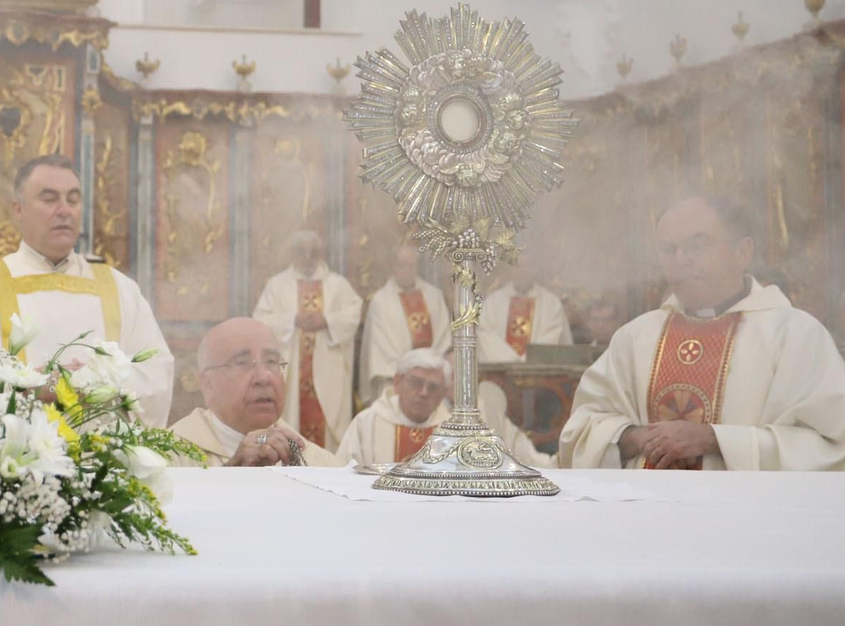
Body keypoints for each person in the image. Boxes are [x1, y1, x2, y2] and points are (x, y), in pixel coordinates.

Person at [561, 196, 845, 470]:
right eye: (669, 249)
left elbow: (832, 447)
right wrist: (636, 438)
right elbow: (579, 433)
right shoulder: (635, 338)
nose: (681, 259)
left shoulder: (796, 336)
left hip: (746, 514)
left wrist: (714, 440)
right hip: (644, 512)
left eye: (698, 244)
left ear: (743, 252)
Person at [0, 155, 174, 426]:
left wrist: (94, 380)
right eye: (49, 199)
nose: (64, 210)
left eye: (73, 199)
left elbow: (156, 375)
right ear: (18, 209)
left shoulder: (119, 288)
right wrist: (31, 386)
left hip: (105, 461)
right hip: (15, 460)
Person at [169, 318, 342, 467]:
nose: (263, 377)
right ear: (207, 384)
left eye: (272, 361)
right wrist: (233, 470)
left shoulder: (322, 464)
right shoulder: (166, 457)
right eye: (242, 362)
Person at [336, 348, 553, 468]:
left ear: (444, 394)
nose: (423, 393)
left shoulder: (455, 430)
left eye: (433, 387)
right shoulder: (368, 423)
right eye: (416, 383)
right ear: (397, 382)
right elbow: (343, 477)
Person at [251, 229, 362, 450]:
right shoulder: (277, 284)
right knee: (291, 422)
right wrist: (292, 320)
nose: (308, 257)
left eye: (313, 252)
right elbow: (260, 318)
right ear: (293, 254)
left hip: (328, 370)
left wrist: (327, 321)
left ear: (321, 254)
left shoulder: (337, 285)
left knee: (327, 435)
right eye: (302, 252)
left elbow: (353, 313)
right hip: (292, 374)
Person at [359, 243, 452, 401]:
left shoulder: (434, 296)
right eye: (402, 265)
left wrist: (427, 369)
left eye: (411, 266)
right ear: (393, 267)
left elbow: (443, 337)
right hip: (395, 380)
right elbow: (382, 346)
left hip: (430, 381)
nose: (407, 270)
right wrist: (408, 375)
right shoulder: (381, 301)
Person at [476, 261, 573, 363]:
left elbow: (552, 339)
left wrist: (526, 362)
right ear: (510, 269)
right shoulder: (493, 302)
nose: (522, 272)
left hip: (539, 372)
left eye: (527, 266)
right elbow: (485, 336)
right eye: (517, 266)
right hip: (499, 373)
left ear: (535, 269)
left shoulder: (551, 303)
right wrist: (511, 361)